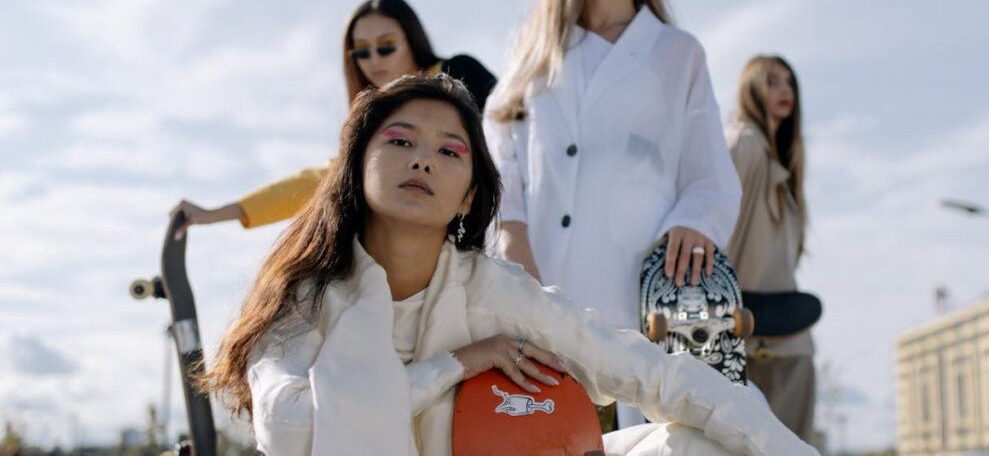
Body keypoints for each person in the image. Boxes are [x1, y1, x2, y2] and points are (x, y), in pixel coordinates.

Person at [200, 74, 817, 455]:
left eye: (449, 150)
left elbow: (648, 373)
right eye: (399, 141)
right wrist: (453, 366)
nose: (423, 161)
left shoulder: (491, 289)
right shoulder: (305, 297)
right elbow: (289, 430)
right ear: (357, 168)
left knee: (697, 445)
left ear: (469, 193)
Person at [483, 0, 741, 427]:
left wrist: (695, 221)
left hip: (637, 294)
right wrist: (511, 230)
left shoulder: (677, 53)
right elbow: (500, 140)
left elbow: (709, 175)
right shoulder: (535, 52)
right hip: (541, 280)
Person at [169, 0, 496, 237]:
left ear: (412, 40)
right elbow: (323, 181)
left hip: (501, 226)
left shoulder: (459, 73)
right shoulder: (374, 119)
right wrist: (217, 213)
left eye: (385, 46)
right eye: (361, 52)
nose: (373, 59)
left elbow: (514, 124)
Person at [725, 55, 815, 442]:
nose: (785, 91)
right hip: (744, 343)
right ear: (751, 89)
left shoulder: (785, 164)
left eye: (790, 83)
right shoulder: (743, 143)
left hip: (789, 343)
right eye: (773, 81)